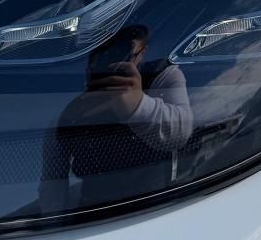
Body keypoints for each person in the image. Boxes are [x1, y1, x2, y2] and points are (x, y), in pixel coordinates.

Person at [39, 25, 193, 212]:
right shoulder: (72, 113)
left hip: (156, 203)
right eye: (105, 55)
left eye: (125, 54)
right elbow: (53, 185)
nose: (113, 63)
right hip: (94, 209)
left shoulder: (161, 76)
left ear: (143, 53)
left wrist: (138, 105)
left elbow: (181, 133)